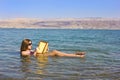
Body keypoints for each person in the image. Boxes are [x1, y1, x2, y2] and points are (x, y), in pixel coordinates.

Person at [20, 39, 85, 58]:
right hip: (40, 57)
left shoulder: (29, 50)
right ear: (25, 45)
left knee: (56, 52)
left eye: (31, 43)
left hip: (42, 55)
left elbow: (34, 53)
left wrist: (44, 50)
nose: (31, 45)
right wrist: (36, 51)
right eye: (29, 44)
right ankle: (76, 55)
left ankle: (75, 54)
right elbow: (33, 56)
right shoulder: (23, 52)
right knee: (55, 52)